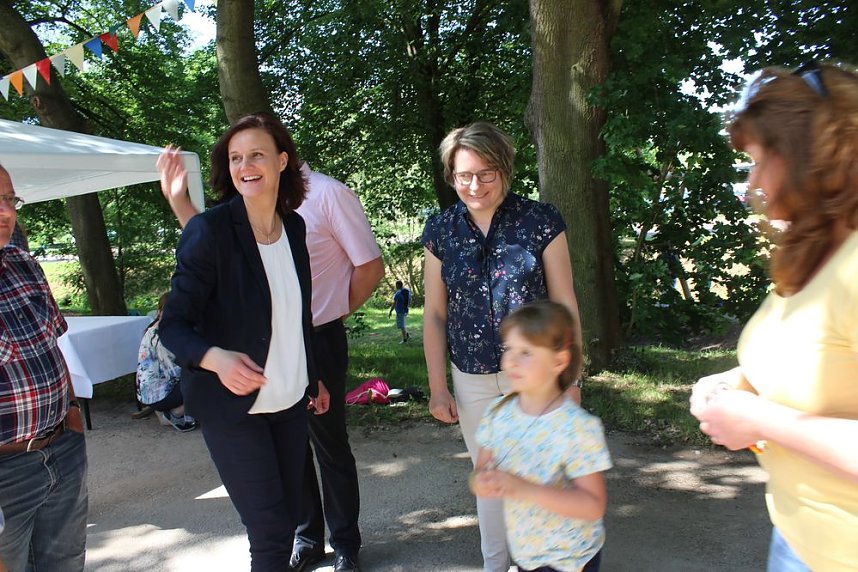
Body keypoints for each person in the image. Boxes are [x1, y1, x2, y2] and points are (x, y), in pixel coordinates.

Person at [160, 123, 384, 572]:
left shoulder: (295, 228)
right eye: (236, 157)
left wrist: (313, 374)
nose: (246, 165)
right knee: (270, 535)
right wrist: (214, 358)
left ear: (283, 161)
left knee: (282, 529)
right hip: (233, 406)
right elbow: (174, 324)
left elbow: (299, 316)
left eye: (257, 155)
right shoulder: (211, 230)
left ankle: (342, 543)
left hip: (288, 400)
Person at [689, 61, 858, 572]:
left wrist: (761, 419)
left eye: (760, 160)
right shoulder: (815, 252)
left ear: (810, 155)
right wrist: (737, 381)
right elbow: (819, 359)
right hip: (797, 538)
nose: (751, 184)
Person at [421, 121, 583, 571]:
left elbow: (564, 302)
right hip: (470, 377)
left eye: (486, 174)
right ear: (451, 176)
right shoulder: (440, 230)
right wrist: (438, 386)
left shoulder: (541, 221)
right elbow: (434, 314)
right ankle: (496, 565)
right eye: (463, 175)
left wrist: (571, 379)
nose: (475, 186)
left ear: (506, 170)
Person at [471, 301, 610, 572]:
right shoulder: (497, 413)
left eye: (526, 352)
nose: (511, 360)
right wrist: (483, 481)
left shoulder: (577, 428)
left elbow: (593, 505)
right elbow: (481, 471)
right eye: (508, 348)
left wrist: (523, 489)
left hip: (571, 558)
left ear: (559, 361)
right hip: (526, 553)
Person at [0, 164, 88, 571]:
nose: (5, 211)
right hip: (5, 473)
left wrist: (71, 412)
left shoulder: (23, 263)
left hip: (61, 450)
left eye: (9, 199)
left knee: (65, 565)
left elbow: (54, 345)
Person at [135, 292, 197, 432]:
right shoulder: (160, 334)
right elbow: (176, 370)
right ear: (160, 311)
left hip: (152, 390)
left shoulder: (157, 328)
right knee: (208, 380)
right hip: (158, 394)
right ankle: (175, 414)